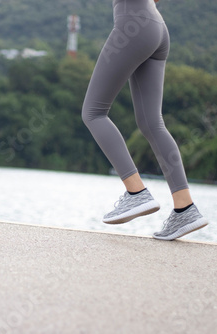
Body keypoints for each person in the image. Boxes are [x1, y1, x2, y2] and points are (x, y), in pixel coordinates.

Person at [81, 0, 208, 240]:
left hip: (133, 23)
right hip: (156, 26)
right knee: (152, 122)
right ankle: (185, 208)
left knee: (94, 112)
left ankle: (135, 191)